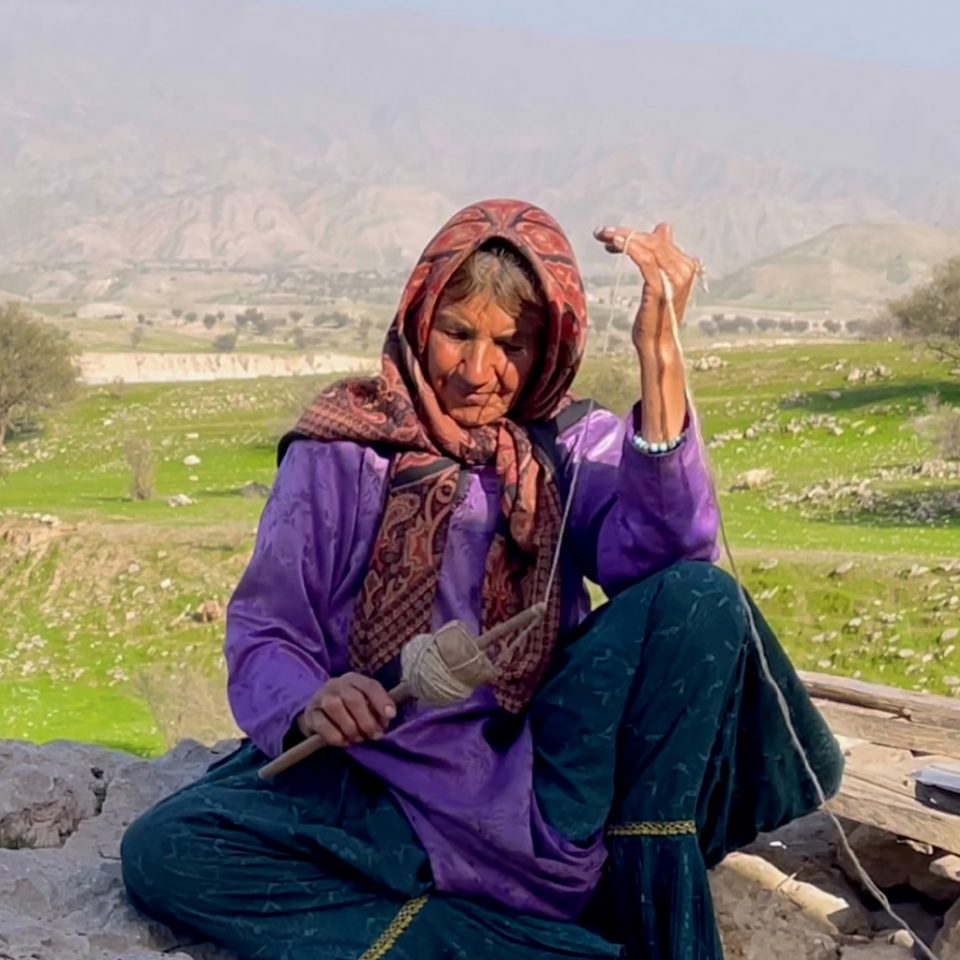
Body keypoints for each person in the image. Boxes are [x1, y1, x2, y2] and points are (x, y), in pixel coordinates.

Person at [120, 199, 843, 960]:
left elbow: (666, 557)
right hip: (376, 783)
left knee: (702, 599)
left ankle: (635, 881)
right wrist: (311, 701)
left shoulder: (564, 447)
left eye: (512, 344)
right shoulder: (341, 452)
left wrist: (660, 356)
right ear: (417, 318)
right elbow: (269, 627)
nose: (477, 371)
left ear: (550, 348)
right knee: (167, 850)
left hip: (542, 779)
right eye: (457, 333)